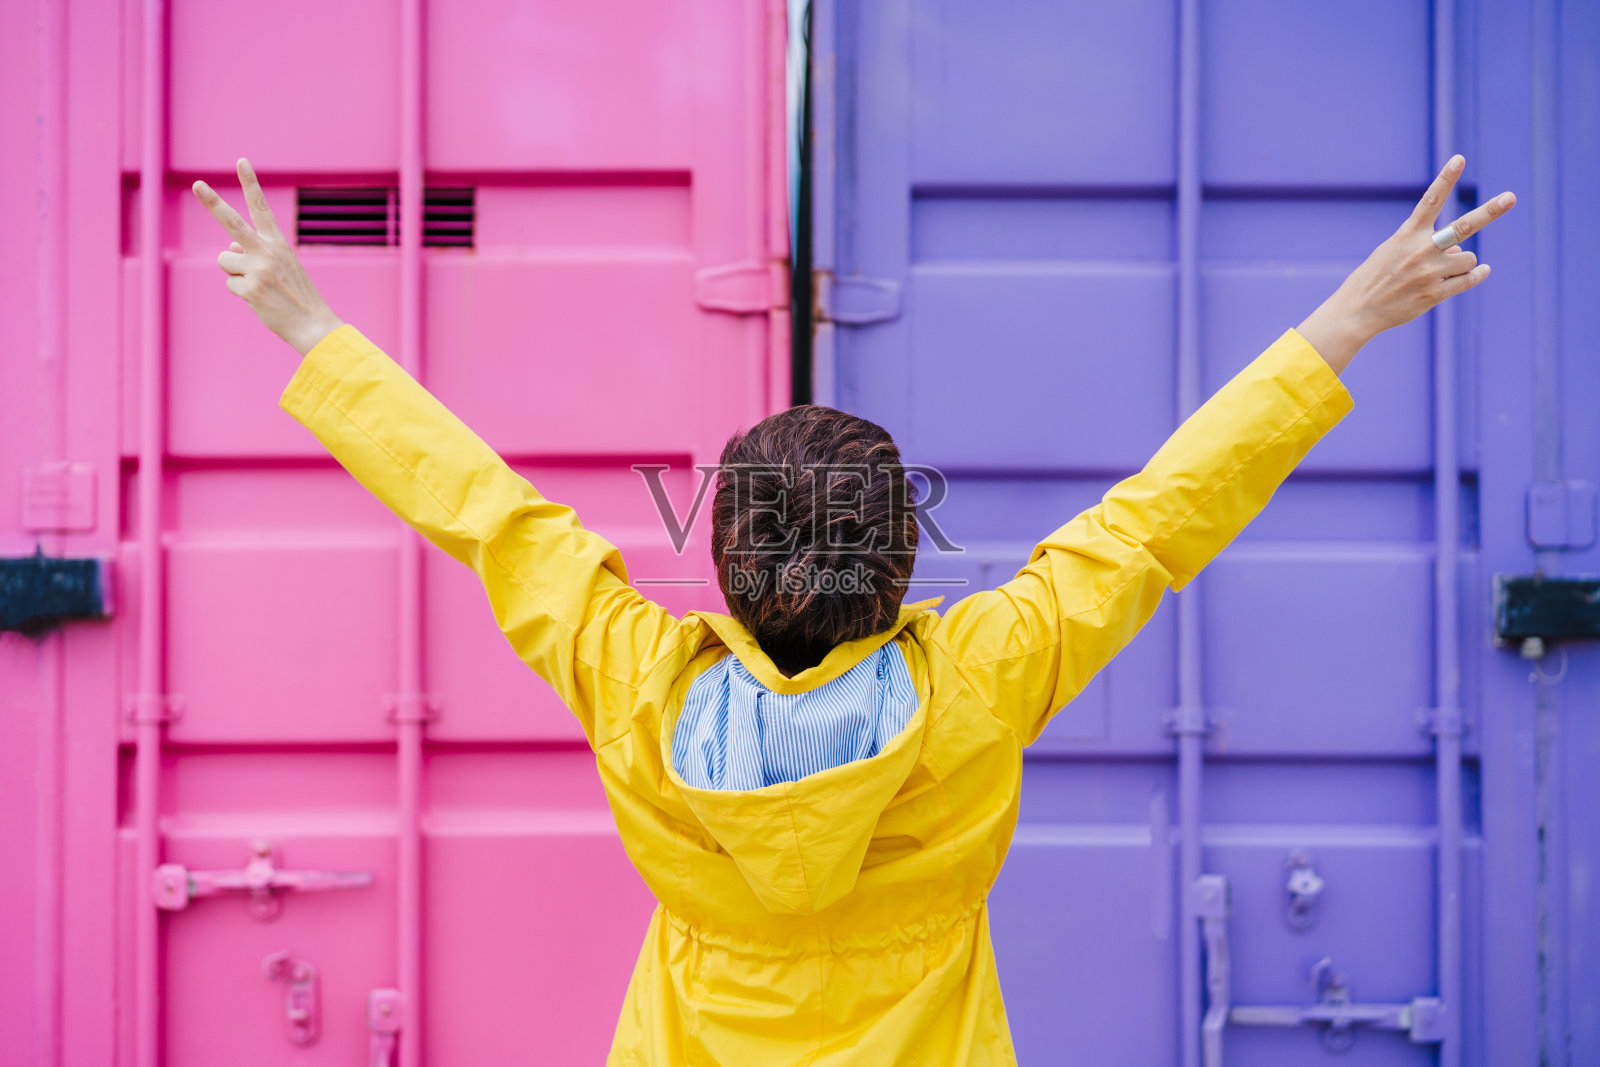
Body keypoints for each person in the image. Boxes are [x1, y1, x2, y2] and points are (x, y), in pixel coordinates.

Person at [194, 154, 1513, 1065]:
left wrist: (311, 325)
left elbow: (486, 513)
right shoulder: (983, 678)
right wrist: (1349, 317)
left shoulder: (629, 678)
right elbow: (1160, 519)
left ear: (717, 556)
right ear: (901, 564)